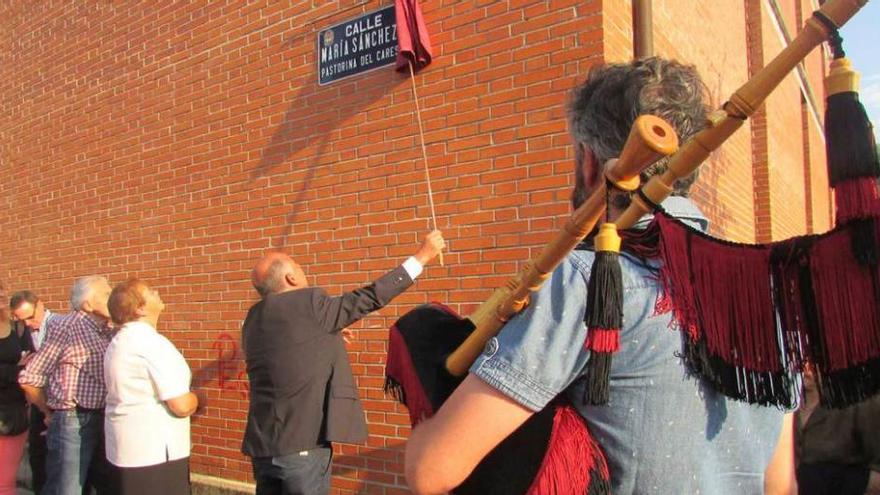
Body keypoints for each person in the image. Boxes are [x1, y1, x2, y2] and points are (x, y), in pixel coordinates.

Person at [404, 57, 793, 494]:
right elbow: (780, 485)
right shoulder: (769, 297)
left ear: (590, 162)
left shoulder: (586, 279)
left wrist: (426, 414)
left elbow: (432, 471)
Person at [242, 230, 445, 495]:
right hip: (303, 448)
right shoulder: (310, 303)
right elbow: (370, 297)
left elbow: (285, 352)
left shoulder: (252, 320)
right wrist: (421, 257)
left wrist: (327, 335)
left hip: (262, 448)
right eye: (300, 269)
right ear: (291, 277)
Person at [19, 276, 115, 495]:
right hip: (73, 420)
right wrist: (48, 412)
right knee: (67, 488)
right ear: (88, 304)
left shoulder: (108, 329)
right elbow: (30, 377)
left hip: (103, 417)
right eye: (106, 294)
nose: (112, 298)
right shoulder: (68, 326)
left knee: (95, 485)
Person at [104, 279, 198, 495]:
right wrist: (198, 399)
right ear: (140, 308)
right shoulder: (151, 343)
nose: (157, 293)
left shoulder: (119, 342)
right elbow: (181, 404)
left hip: (126, 449)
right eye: (151, 292)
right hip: (153, 452)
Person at [795, 364, 880, 495]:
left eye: (810, 357)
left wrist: (846, 481)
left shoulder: (857, 402)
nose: (806, 367)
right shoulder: (783, 407)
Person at [10, 289, 61, 494]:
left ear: (40, 305)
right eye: (22, 320)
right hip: (37, 400)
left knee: (61, 460)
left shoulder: (60, 325)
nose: (28, 323)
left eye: (30, 317)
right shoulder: (22, 333)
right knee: (37, 455)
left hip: (60, 401)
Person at [0, 281, 32, 495]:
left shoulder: (17, 327)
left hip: (13, 412)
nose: (1, 296)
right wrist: (14, 371)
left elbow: (30, 356)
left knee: (5, 481)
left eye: (2, 291)